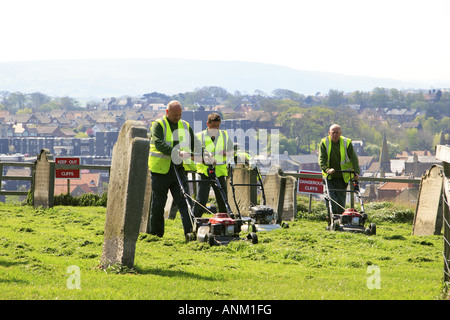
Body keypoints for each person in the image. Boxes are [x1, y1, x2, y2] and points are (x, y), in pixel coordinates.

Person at [148, 100, 201, 238]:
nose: (177, 117)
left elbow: (195, 143)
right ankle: (156, 234)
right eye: (174, 115)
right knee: (158, 204)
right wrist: (176, 153)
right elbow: (159, 144)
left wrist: (205, 155)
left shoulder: (185, 125)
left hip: (179, 169)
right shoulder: (158, 125)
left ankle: (190, 233)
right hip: (160, 171)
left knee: (185, 202)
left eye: (179, 114)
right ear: (167, 112)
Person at [193, 113, 234, 217]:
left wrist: (226, 153)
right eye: (213, 126)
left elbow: (232, 151)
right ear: (208, 124)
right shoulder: (199, 136)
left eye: (218, 126)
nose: (216, 128)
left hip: (220, 172)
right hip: (204, 172)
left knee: (223, 200)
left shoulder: (224, 135)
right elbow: (194, 154)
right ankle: (194, 220)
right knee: (201, 200)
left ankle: (224, 222)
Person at [318, 124, 360, 224]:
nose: (335, 135)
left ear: (340, 133)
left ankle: (342, 222)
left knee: (341, 201)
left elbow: (354, 158)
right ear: (329, 133)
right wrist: (327, 169)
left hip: (342, 177)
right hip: (329, 177)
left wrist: (356, 172)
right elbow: (321, 160)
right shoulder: (324, 143)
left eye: (337, 133)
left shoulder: (346, 143)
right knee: (332, 200)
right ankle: (331, 220)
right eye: (333, 133)